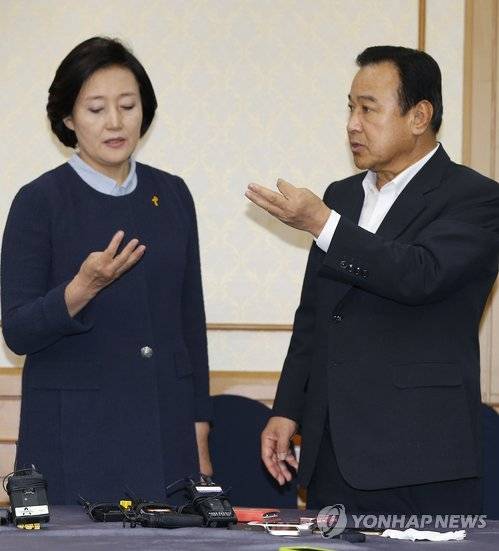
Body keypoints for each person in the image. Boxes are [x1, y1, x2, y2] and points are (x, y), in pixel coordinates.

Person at [246, 45, 499, 514]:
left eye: (367, 109)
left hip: (422, 458)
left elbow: (420, 274)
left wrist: (322, 224)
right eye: (350, 108)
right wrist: (287, 409)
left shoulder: (475, 197)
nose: (352, 125)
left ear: (419, 116)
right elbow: (315, 316)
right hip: (333, 453)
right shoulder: (341, 197)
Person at [1, 37, 213, 504]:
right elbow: (17, 331)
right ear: (68, 118)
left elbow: (189, 322)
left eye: (128, 105)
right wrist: (82, 287)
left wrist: (199, 429)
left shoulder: (173, 195)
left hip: (165, 432)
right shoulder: (39, 202)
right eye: (96, 109)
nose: (115, 122)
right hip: (77, 436)